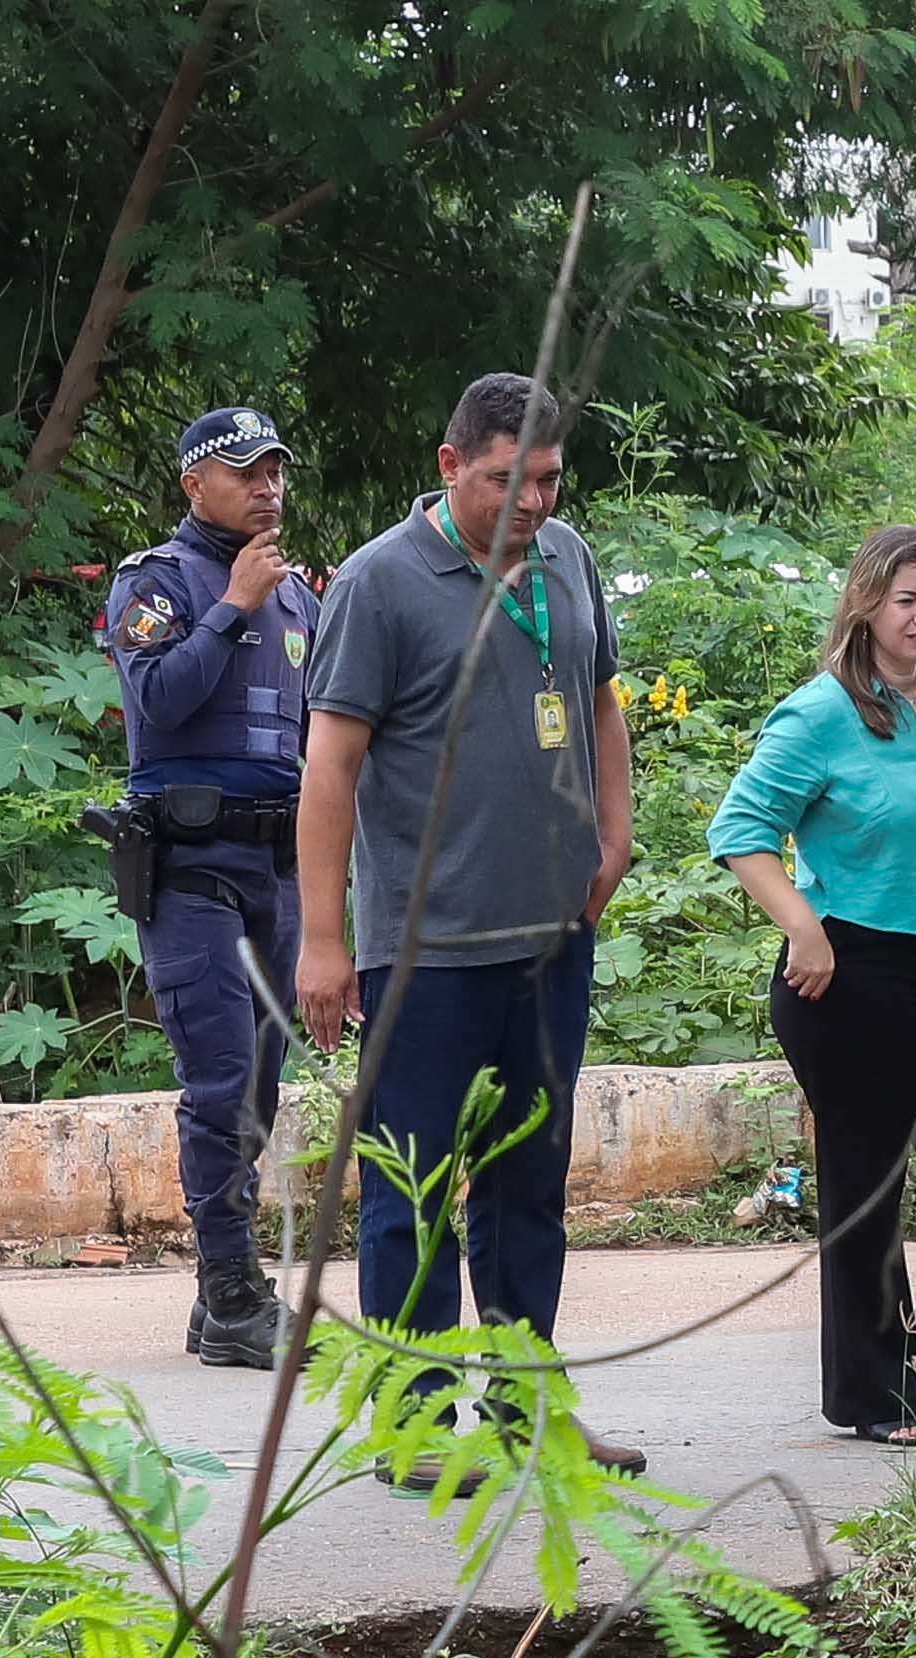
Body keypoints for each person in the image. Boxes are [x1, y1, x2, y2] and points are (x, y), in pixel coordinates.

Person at [295, 369, 645, 1479]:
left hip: (546, 940)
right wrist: (321, 938)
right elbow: (330, 766)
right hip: (423, 950)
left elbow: (596, 697)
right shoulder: (380, 583)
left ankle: (525, 1409)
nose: (533, 502)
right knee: (412, 1188)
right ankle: (413, 1422)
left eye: (547, 478)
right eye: (509, 480)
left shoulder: (567, 557)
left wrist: (614, 834)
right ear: (452, 467)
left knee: (528, 1186)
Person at [710, 525, 916, 1444]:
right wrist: (804, 929)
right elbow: (739, 831)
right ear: (865, 604)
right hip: (851, 973)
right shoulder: (820, 713)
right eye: (906, 600)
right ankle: (874, 1397)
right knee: (869, 1185)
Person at [102, 403, 319, 1369]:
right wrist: (230, 606)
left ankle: (216, 1291)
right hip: (192, 871)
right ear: (196, 485)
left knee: (261, 1085)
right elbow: (153, 704)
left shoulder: (304, 600)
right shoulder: (162, 582)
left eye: (275, 471)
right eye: (246, 473)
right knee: (221, 1079)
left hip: (283, 869)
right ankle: (234, 1296)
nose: (267, 487)